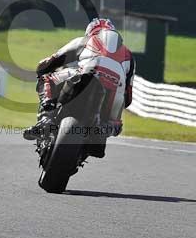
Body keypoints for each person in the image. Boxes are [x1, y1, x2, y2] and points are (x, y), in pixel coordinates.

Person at [23, 18, 135, 156]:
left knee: (47, 79)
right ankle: (103, 132)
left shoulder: (84, 41)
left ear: (90, 32)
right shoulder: (129, 55)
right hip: (116, 90)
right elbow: (128, 98)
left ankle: (45, 121)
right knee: (115, 124)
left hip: (86, 73)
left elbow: (49, 63)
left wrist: (41, 68)